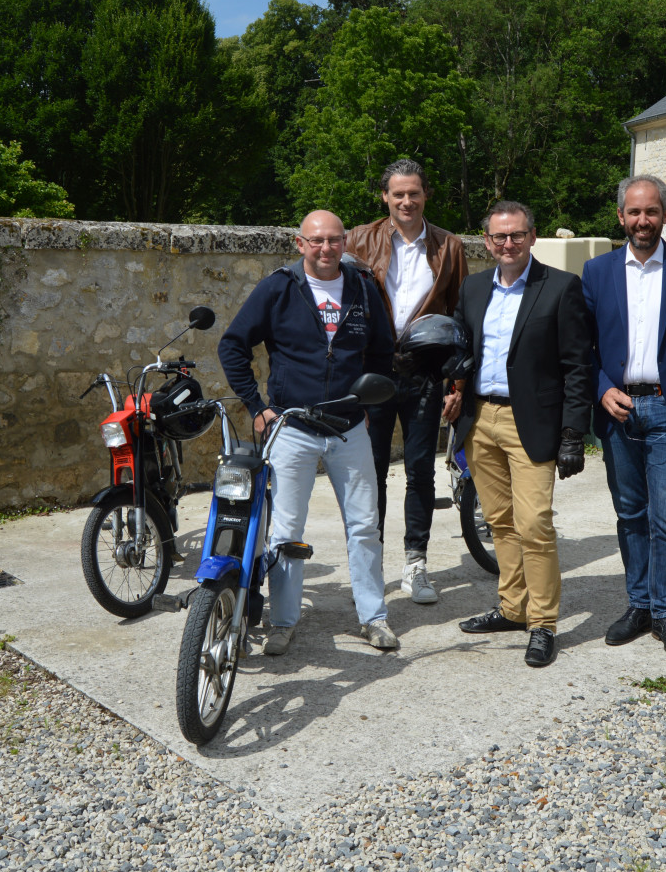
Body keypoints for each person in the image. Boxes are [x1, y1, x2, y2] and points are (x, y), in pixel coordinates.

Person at [218, 210, 399, 656]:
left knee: (363, 525)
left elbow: (381, 352)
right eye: (316, 241)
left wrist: (369, 401)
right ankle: (283, 621)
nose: (326, 249)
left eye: (334, 240)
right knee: (286, 532)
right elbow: (233, 345)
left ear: (345, 243)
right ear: (300, 244)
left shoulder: (362, 286)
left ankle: (373, 617)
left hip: (348, 428)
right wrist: (257, 407)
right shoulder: (279, 287)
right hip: (293, 427)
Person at [441, 201, 593, 668]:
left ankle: (543, 623)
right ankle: (512, 607)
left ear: (532, 236)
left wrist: (573, 434)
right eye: (498, 237)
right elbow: (463, 349)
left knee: (534, 525)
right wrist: (453, 389)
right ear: (486, 241)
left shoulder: (562, 288)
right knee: (500, 522)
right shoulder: (472, 288)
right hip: (479, 420)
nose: (508, 244)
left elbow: (577, 367)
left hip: (532, 423)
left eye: (517, 235)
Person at [581, 175, 666, 660]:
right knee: (629, 514)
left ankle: (664, 611)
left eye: (652, 211)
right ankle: (637, 605)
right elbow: (584, 349)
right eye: (634, 212)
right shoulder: (596, 272)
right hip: (618, 410)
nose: (643, 220)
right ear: (620, 216)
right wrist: (602, 390)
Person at [346, 159, 468, 605]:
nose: (406, 201)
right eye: (398, 193)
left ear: (426, 195)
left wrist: (457, 383)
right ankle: (371, 565)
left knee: (419, 472)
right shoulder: (358, 240)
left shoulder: (449, 247)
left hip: (424, 374)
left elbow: (460, 317)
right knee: (370, 472)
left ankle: (415, 564)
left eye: (413, 192)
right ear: (385, 197)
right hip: (373, 373)